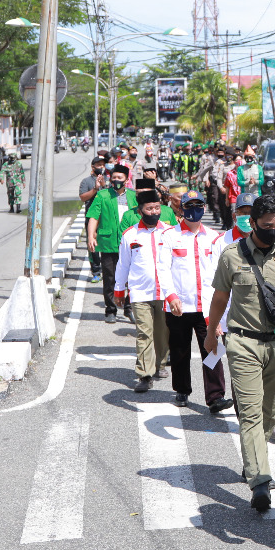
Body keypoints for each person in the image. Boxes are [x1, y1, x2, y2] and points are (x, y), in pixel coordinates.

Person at [204, 195, 275, 512]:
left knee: (269, 416)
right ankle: (259, 481)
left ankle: (253, 462)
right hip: (243, 343)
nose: (274, 230)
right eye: (268, 226)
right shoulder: (232, 255)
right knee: (250, 414)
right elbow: (219, 298)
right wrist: (210, 332)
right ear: (254, 222)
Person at [164, 191, 233, 414]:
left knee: (213, 349)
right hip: (179, 305)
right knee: (180, 349)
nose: (194, 209)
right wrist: (171, 296)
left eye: (199, 205)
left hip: (207, 306)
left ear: (204, 208)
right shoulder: (169, 236)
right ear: (182, 208)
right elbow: (162, 269)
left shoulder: (214, 237)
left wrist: (221, 313)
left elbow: (220, 274)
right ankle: (182, 389)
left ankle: (216, 396)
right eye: (189, 205)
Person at [115, 184, 174, 393]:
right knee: (143, 333)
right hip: (140, 292)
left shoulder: (169, 233)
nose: (154, 212)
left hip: (165, 293)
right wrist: (119, 290)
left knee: (162, 333)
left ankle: (161, 364)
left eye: (157, 208)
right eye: (150, 209)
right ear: (140, 210)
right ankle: (144, 374)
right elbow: (123, 264)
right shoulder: (131, 235)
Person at [86, 164, 138, 323]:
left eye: (119, 178)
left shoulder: (134, 196)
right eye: (114, 177)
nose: (116, 180)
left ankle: (129, 308)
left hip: (131, 244)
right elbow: (94, 217)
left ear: (126, 179)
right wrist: (90, 236)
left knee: (132, 277)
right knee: (110, 277)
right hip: (108, 242)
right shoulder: (102, 195)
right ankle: (111, 309)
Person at [78, 156, 108, 277]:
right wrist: (95, 188)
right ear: (93, 167)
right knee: (93, 243)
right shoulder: (86, 181)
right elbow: (83, 197)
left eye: (103, 165)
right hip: (92, 217)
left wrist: (104, 185)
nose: (101, 167)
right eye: (99, 165)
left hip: (106, 217)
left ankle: (107, 269)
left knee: (106, 243)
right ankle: (96, 271)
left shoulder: (108, 180)